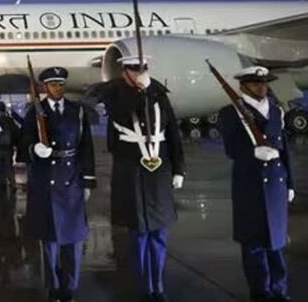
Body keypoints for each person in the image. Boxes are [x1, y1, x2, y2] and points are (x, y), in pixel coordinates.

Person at [100, 56, 185, 302]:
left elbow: (172, 133)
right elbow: (122, 114)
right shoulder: (115, 93)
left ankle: (158, 287)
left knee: (159, 232)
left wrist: (179, 168)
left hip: (158, 171)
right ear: (125, 71)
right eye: (134, 70)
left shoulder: (158, 91)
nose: (139, 73)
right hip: (132, 170)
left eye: (143, 69)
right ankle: (143, 288)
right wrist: (140, 94)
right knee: (138, 233)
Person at [218, 67, 294, 302]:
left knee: (277, 241)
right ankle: (260, 292)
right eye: (255, 83)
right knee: (254, 243)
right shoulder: (230, 113)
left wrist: (290, 182)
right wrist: (253, 152)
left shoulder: (276, 111)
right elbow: (231, 149)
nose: (262, 87)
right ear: (243, 85)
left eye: (264, 83)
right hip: (249, 184)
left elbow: (284, 150)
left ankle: (279, 289)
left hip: (275, 183)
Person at [21, 67, 96, 302]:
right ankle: (53, 287)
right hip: (46, 180)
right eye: (53, 85)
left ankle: (70, 288)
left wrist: (88, 180)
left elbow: (87, 147)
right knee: (50, 240)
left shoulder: (78, 111)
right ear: (45, 87)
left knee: (72, 240)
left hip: (71, 177)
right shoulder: (35, 112)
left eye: (61, 84)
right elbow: (23, 145)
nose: (57, 89)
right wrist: (34, 149)